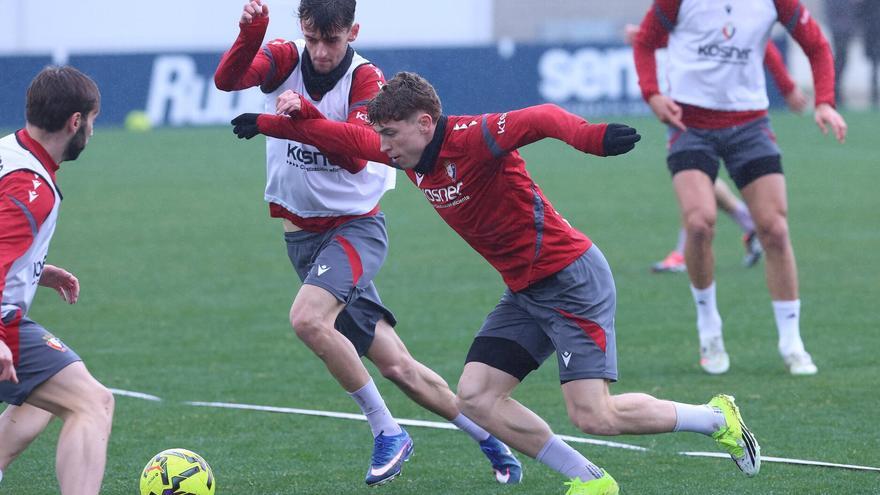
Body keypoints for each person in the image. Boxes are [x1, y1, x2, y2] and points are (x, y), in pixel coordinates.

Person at [229, 71, 761, 495]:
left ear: (423, 121)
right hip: (526, 292)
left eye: (389, 134)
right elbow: (336, 134)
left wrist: (593, 139)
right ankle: (590, 479)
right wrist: (269, 123)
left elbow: (542, 117)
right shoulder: (409, 153)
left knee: (593, 414)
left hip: (572, 281)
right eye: (381, 135)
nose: (382, 147)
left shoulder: (473, 137)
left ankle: (715, 417)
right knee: (477, 398)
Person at [213, 0, 521, 486]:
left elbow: (357, 155)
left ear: (353, 31)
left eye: (331, 40)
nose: (319, 51)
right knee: (399, 367)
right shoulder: (284, 56)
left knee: (308, 320)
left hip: (354, 231)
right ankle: (487, 438)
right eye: (311, 38)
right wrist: (251, 31)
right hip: (302, 241)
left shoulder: (366, 80)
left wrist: (301, 115)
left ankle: (387, 432)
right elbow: (229, 80)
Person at [633, 0, 848, 376]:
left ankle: (792, 342)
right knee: (699, 224)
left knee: (775, 230)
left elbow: (815, 44)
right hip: (689, 124)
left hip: (750, 125)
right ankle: (709, 327)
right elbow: (645, 41)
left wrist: (825, 102)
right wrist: (652, 93)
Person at [0, 66, 114, 495]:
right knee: (92, 402)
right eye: (93, 121)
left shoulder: (10, 152)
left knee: (50, 386)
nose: (92, 132)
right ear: (75, 122)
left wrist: (34, 269)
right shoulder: (29, 187)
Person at [622, 24, 807, 273]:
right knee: (695, 177)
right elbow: (694, 38)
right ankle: (747, 222)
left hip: (724, 110)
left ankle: (686, 252)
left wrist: (786, 86)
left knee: (693, 177)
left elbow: (757, 40)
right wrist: (649, 37)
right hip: (689, 104)